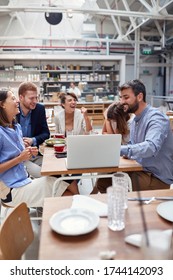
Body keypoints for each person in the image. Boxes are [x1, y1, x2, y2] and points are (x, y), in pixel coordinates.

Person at [0, 89, 79, 208]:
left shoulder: (17, 127)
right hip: (12, 190)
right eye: (12, 98)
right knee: (68, 193)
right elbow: (17, 159)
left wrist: (28, 152)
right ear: (2, 104)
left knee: (67, 181)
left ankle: (68, 214)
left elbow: (16, 154)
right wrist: (20, 158)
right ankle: (76, 213)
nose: (17, 101)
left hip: (25, 180)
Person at [96, 79, 173, 193]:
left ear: (139, 97)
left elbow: (150, 147)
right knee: (103, 181)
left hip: (155, 177)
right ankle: (120, 209)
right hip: (140, 169)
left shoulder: (156, 118)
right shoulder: (135, 121)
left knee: (111, 185)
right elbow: (133, 145)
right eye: (121, 97)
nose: (122, 102)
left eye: (126, 97)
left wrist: (120, 149)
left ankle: (125, 209)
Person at [16, 81, 50, 178]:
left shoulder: (39, 109)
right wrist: (20, 142)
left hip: (35, 154)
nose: (35, 101)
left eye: (36, 97)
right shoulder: (13, 110)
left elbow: (46, 133)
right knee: (44, 175)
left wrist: (33, 140)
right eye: (31, 98)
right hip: (18, 157)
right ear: (21, 97)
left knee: (55, 171)